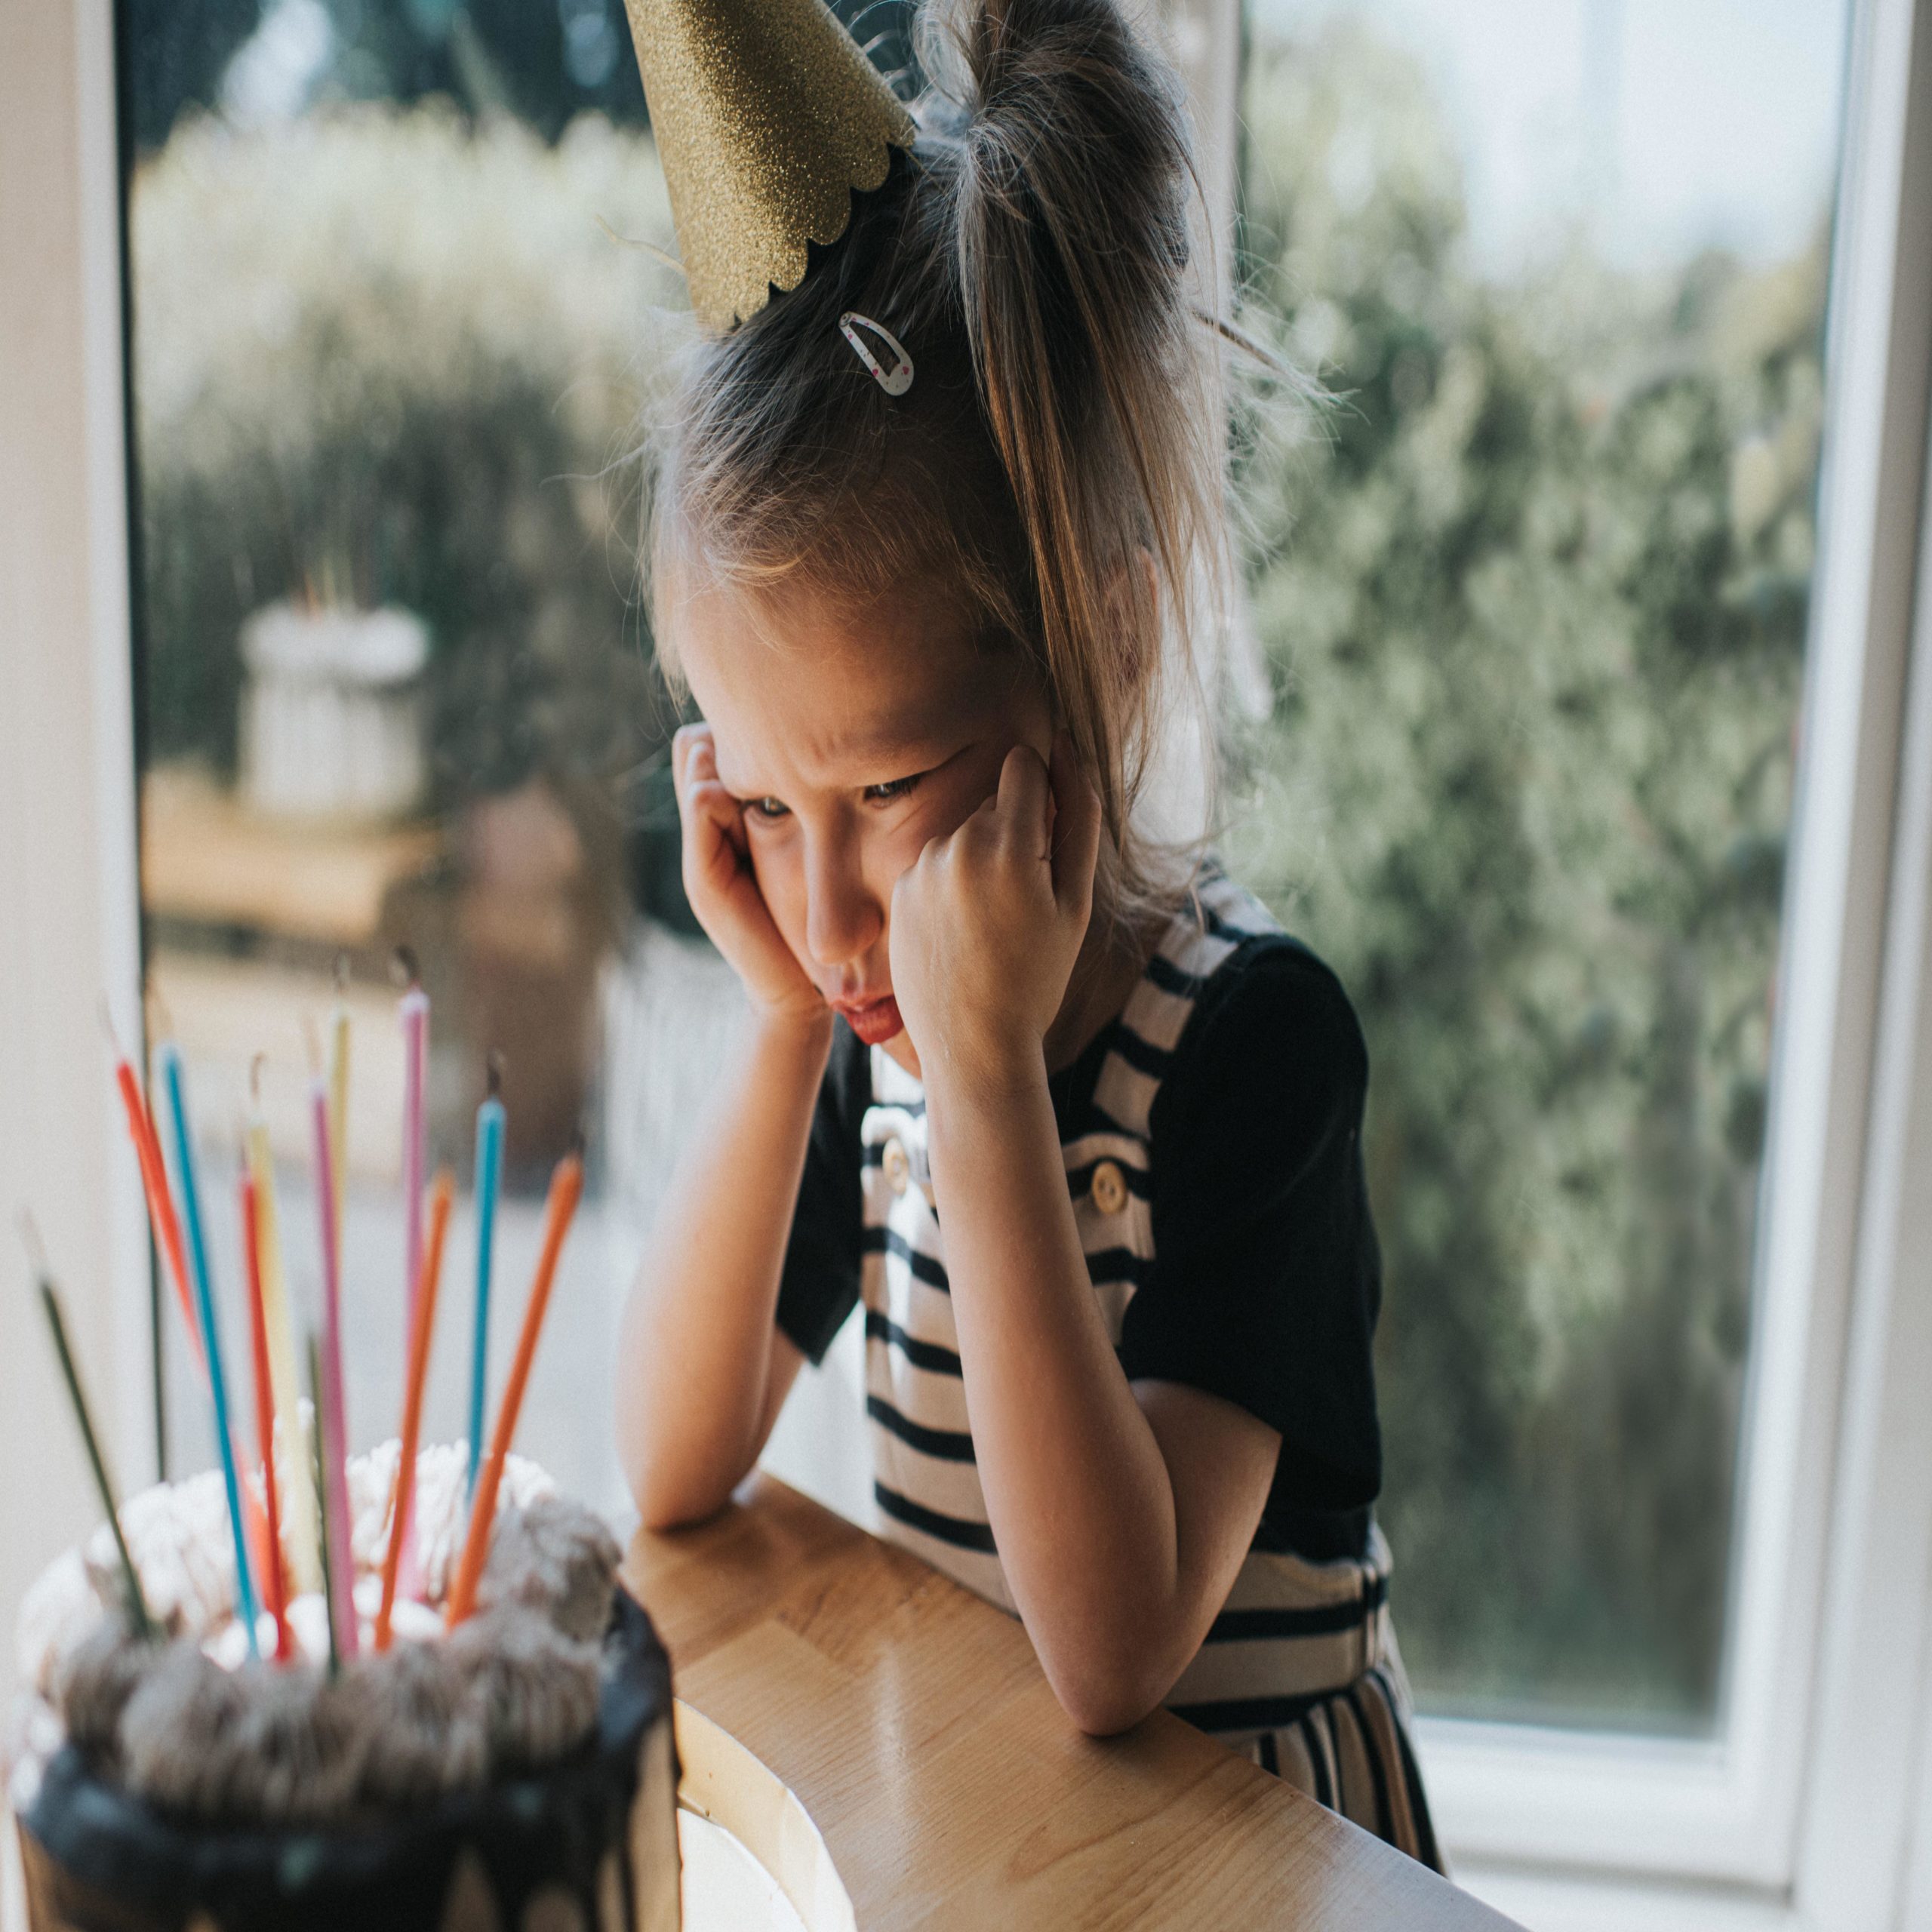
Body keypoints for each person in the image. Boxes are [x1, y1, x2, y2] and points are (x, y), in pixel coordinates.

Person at [614, 0, 1438, 1866]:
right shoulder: (858, 1027)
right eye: (758, 806)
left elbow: (1114, 1644)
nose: (825, 918)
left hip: (1253, 1858)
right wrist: (769, 1037)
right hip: (1017, 1841)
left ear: (1108, 646)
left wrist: (982, 1087)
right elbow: (667, 1460)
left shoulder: (1251, 1047)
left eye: (890, 792)